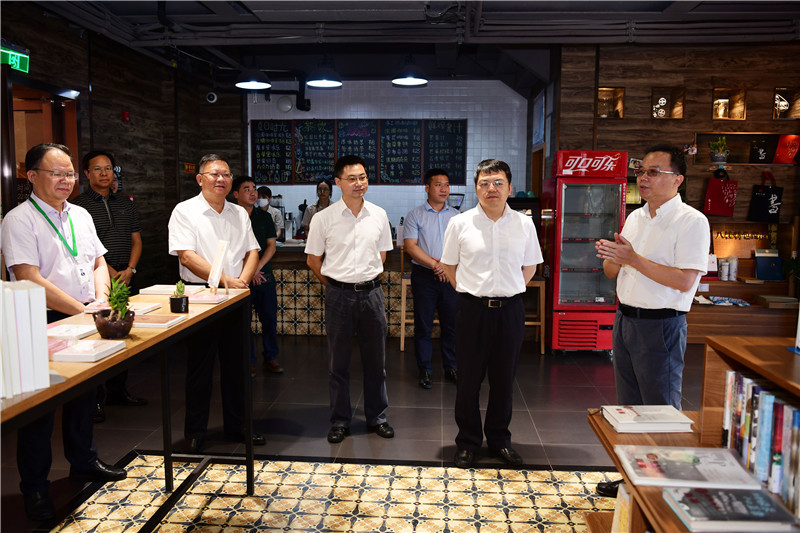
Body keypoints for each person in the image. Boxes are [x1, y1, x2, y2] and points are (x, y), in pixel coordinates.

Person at [0, 143, 127, 521]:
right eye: (56, 173)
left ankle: (84, 462)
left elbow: (99, 261)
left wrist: (101, 300)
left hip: (85, 312)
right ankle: (36, 488)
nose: (66, 180)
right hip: (38, 318)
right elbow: (28, 276)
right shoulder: (18, 220)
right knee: (37, 410)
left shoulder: (81, 214)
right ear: (32, 175)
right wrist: (83, 309)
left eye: (69, 173)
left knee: (84, 396)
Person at [594, 144, 709, 496]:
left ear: (678, 179)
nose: (643, 177)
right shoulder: (636, 217)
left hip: (661, 324)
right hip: (625, 319)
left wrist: (633, 258)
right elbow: (612, 271)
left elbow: (685, 281)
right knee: (629, 407)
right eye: (641, 171)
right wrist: (613, 256)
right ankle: (634, 478)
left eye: (654, 172)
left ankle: (666, 486)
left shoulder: (691, 221)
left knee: (660, 407)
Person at [441, 159, 542, 469]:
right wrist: (470, 291)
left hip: (510, 311)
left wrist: (509, 290)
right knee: (468, 380)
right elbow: (449, 266)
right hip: (472, 310)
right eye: (484, 183)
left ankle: (499, 440)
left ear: (510, 187)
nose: (491, 189)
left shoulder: (524, 224)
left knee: (503, 380)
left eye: (498, 182)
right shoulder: (460, 223)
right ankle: (468, 442)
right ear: (476, 189)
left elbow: (530, 266)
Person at [168, 154, 266, 453]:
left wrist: (241, 282)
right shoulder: (185, 211)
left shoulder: (239, 213)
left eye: (226, 174)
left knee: (238, 365)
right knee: (200, 366)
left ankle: (238, 426)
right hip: (201, 294)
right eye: (214, 174)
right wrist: (225, 279)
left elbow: (252, 251)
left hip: (236, 293)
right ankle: (195, 431)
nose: (221, 179)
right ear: (200, 179)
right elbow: (187, 256)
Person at [305, 155, 395, 444]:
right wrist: (335, 286)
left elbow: (382, 255)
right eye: (352, 179)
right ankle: (340, 420)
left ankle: (377, 416)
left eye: (363, 177)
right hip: (338, 296)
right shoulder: (323, 218)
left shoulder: (379, 214)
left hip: (372, 295)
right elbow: (313, 260)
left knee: (376, 361)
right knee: (338, 363)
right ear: (338, 182)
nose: (359, 183)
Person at [72, 150, 147, 423]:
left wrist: (130, 270)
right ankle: (95, 399)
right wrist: (111, 273)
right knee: (97, 338)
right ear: (86, 174)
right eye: (97, 169)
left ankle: (118, 390)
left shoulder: (125, 203)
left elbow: (136, 240)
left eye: (108, 168)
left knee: (122, 335)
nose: (104, 173)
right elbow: (86, 250)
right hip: (97, 282)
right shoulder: (78, 207)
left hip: (127, 278)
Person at [403, 168, 459, 389]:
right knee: (423, 325)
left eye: (446, 184)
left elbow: (463, 247)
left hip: (451, 275)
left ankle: (451, 367)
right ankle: (425, 369)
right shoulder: (415, 215)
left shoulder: (457, 216)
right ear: (427, 188)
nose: (444, 189)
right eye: (438, 184)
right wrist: (436, 265)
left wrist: (447, 266)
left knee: (451, 324)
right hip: (425, 276)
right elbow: (410, 246)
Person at [232, 176, 283, 374]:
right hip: (240, 277)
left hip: (264, 275)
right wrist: (248, 271)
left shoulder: (264, 217)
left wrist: (256, 268)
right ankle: (249, 360)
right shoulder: (230, 218)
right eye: (247, 189)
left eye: (254, 188)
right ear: (236, 194)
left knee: (269, 318)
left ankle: (270, 357)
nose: (253, 193)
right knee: (243, 322)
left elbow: (271, 246)